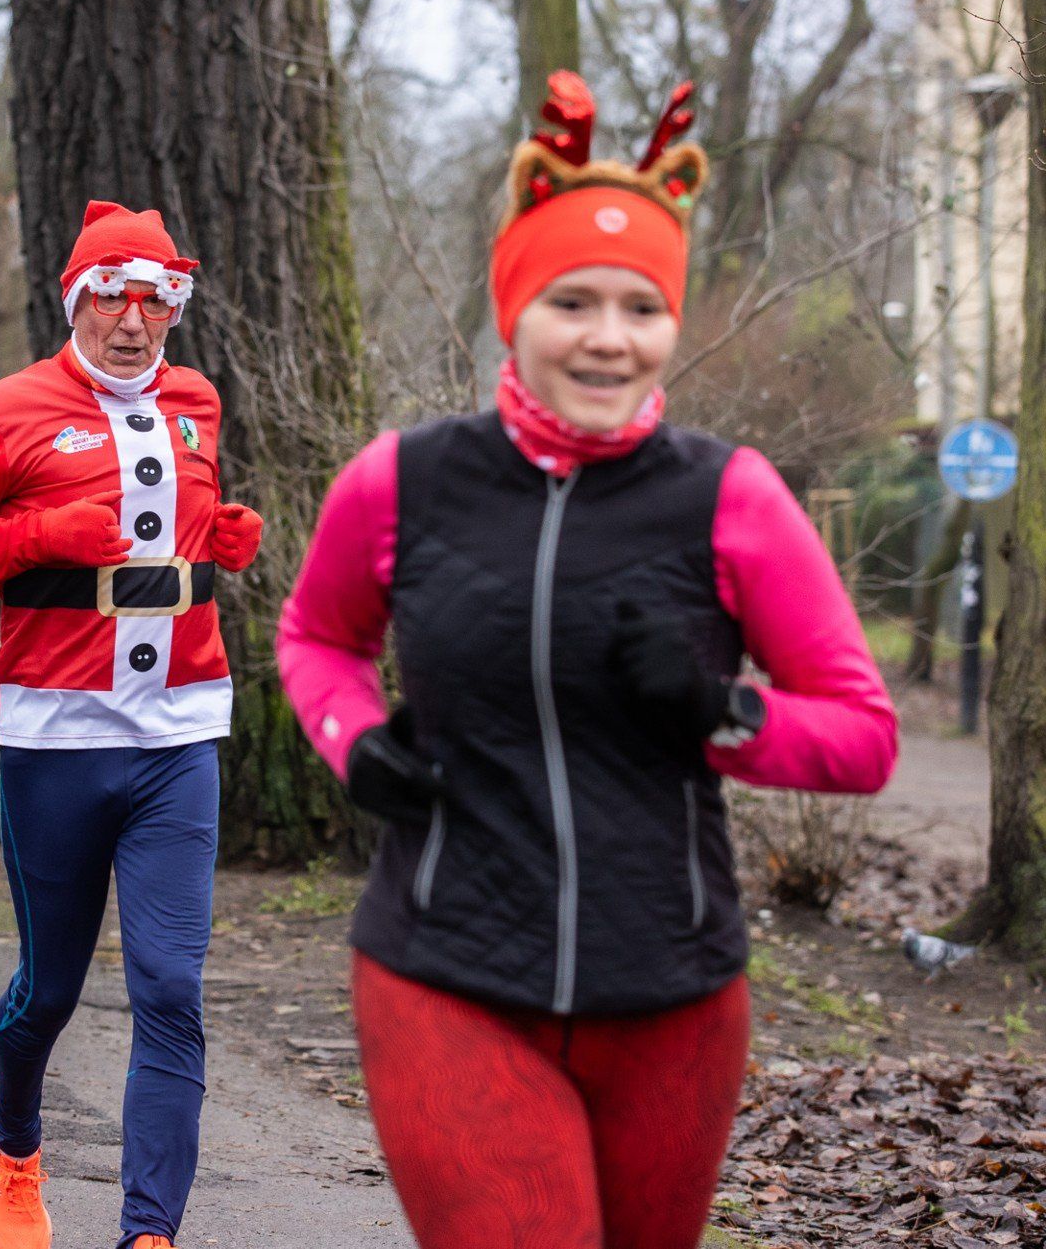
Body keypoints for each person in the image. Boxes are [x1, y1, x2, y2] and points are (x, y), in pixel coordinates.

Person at [275, 73, 899, 1249]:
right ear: (516, 306)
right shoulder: (403, 480)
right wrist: (353, 742)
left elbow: (864, 739)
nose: (610, 338)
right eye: (572, 301)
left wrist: (720, 710)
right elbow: (317, 639)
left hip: (673, 997)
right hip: (446, 971)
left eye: (641, 307)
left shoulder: (732, 497)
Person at [0, 201, 263, 1249]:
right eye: (112, 298)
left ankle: (150, 1232)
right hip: (57, 738)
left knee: (170, 989)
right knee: (48, 991)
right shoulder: (9, 409)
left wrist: (218, 536)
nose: (133, 321)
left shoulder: (198, 402)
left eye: (154, 301)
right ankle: (11, 1143)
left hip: (178, 734)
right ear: (76, 303)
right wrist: (40, 533)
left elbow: (176, 519)